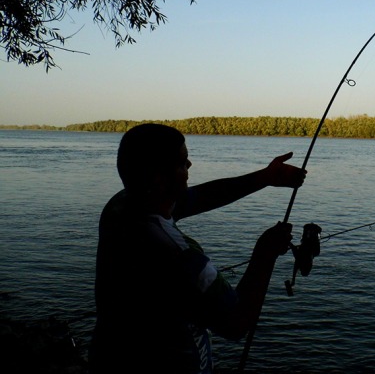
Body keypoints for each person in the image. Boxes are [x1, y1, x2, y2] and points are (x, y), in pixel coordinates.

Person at [89, 123, 306, 374]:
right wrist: (265, 254)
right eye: (182, 163)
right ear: (159, 178)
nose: (189, 166)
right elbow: (236, 323)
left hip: (111, 358)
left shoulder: (122, 208)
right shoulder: (179, 257)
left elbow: (201, 197)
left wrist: (265, 177)